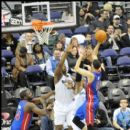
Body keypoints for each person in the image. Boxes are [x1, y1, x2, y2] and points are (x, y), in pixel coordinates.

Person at [72, 53, 102, 130]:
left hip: (91, 102)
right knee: (76, 120)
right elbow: (95, 56)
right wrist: (90, 54)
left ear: (92, 66)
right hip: (89, 100)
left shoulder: (91, 75)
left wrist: (81, 56)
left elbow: (76, 68)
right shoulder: (99, 72)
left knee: (90, 126)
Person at [54, 43, 75, 130]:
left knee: (72, 126)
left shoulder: (71, 77)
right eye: (62, 66)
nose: (64, 66)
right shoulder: (57, 76)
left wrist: (72, 87)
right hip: (59, 105)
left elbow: (77, 90)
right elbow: (59, 64)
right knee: (59, 127)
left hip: (71, 104)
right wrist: (66, 52)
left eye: (65, 66)